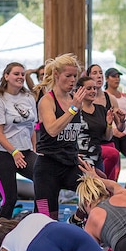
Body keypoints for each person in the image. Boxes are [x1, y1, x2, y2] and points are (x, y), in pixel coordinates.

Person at [33, 54, 86, 219]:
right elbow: (52, 130)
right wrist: (72, 109)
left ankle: (77, 219)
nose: (72, 80)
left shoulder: (75, 100)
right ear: (56, 75)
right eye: (68, 76)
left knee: (99, 190)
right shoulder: (46, 101)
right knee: (47, 218)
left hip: (69, 163)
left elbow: (72, 133)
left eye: (75, 76)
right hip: (48, 166)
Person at [0, 62, 37, 219]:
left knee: (45, 178)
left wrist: (33, 149)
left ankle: (39, 222)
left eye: (22, 74)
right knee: (10, 198)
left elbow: (32, 127)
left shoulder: (28, 98)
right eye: (16, 74)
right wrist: (13, 152)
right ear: (6, 76)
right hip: (1, 152)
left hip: (25, 150)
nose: (20, 77)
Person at [75, 75, 117, 170]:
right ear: (80, 90)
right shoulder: (75, 110)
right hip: (80, 159)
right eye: (89, 88)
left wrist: (109, 124)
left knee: (100, 183)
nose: (93, 91)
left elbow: (107, 137)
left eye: (94, 88)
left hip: (96, 157)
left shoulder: (101, 109)